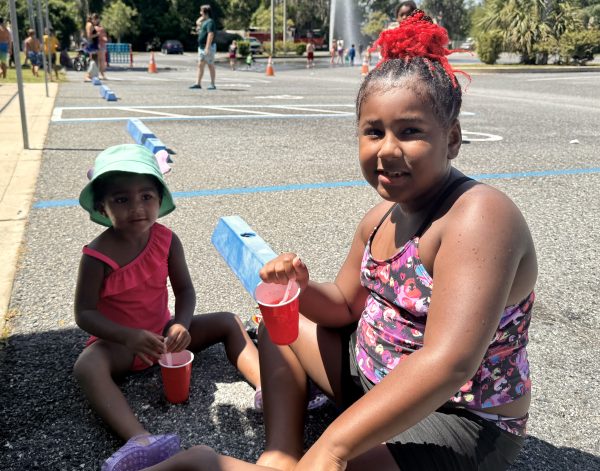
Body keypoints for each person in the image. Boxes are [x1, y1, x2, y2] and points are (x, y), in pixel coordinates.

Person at [141, 10, 537, 471]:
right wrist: (299, 289)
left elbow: (450, 362)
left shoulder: (479, 216)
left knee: (327, 460)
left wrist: (334, 446)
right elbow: (345, 306)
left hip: (456, 417)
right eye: (374, 132)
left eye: (410, 131)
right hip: (370, 375)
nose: (387, 149)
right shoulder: (380, 219)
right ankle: (280, 453)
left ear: (451, 139)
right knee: (279, 325)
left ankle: (204, 465)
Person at [73, 144, 261, 470]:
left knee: (229, 321)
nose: (137, 207)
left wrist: (181, 324)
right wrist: (127, 336)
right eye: (121, 200)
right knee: (86, 366)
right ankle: (140, 439)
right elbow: (84, 313)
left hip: (164, 335)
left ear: (160, 200)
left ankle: (266, 387)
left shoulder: (167, 240)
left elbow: (185, 290)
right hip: (120, 345)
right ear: (103, 207)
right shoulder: (96, 256)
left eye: (146, 196)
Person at [190, 4, 216, 90]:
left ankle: (212, 84)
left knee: (210, 65)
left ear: (205, 12)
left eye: (201, 11)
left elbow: (210, 34)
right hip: (201, 47)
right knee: (200, 65)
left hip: (207, 47)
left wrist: (207, 47)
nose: (200, 13)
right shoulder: (205, 21)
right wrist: (203, 17)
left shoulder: (210, 22)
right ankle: (198, 83)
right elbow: (197, 22)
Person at [83, 13, 100, 81]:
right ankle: (87, 76)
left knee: (95, 61)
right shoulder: (90, 25)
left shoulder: (89, 24)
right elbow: (89, 36)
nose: (97, 22)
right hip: (91, 44)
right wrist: (97, 34)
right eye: (97, 21)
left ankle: (92, 75)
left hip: (93, 44)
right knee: (93, 61)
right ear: (94, 19)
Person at [93, 13, 109, 80]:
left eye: (96, 19)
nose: (96, 20)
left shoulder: (100, 28)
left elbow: (104, 37)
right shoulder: (94, 28)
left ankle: (101, 74)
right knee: (99, 60)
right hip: (97, 45)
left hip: (100, 45)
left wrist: (104, 39)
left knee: (100, 60)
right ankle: (99, 74)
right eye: (95, 19)